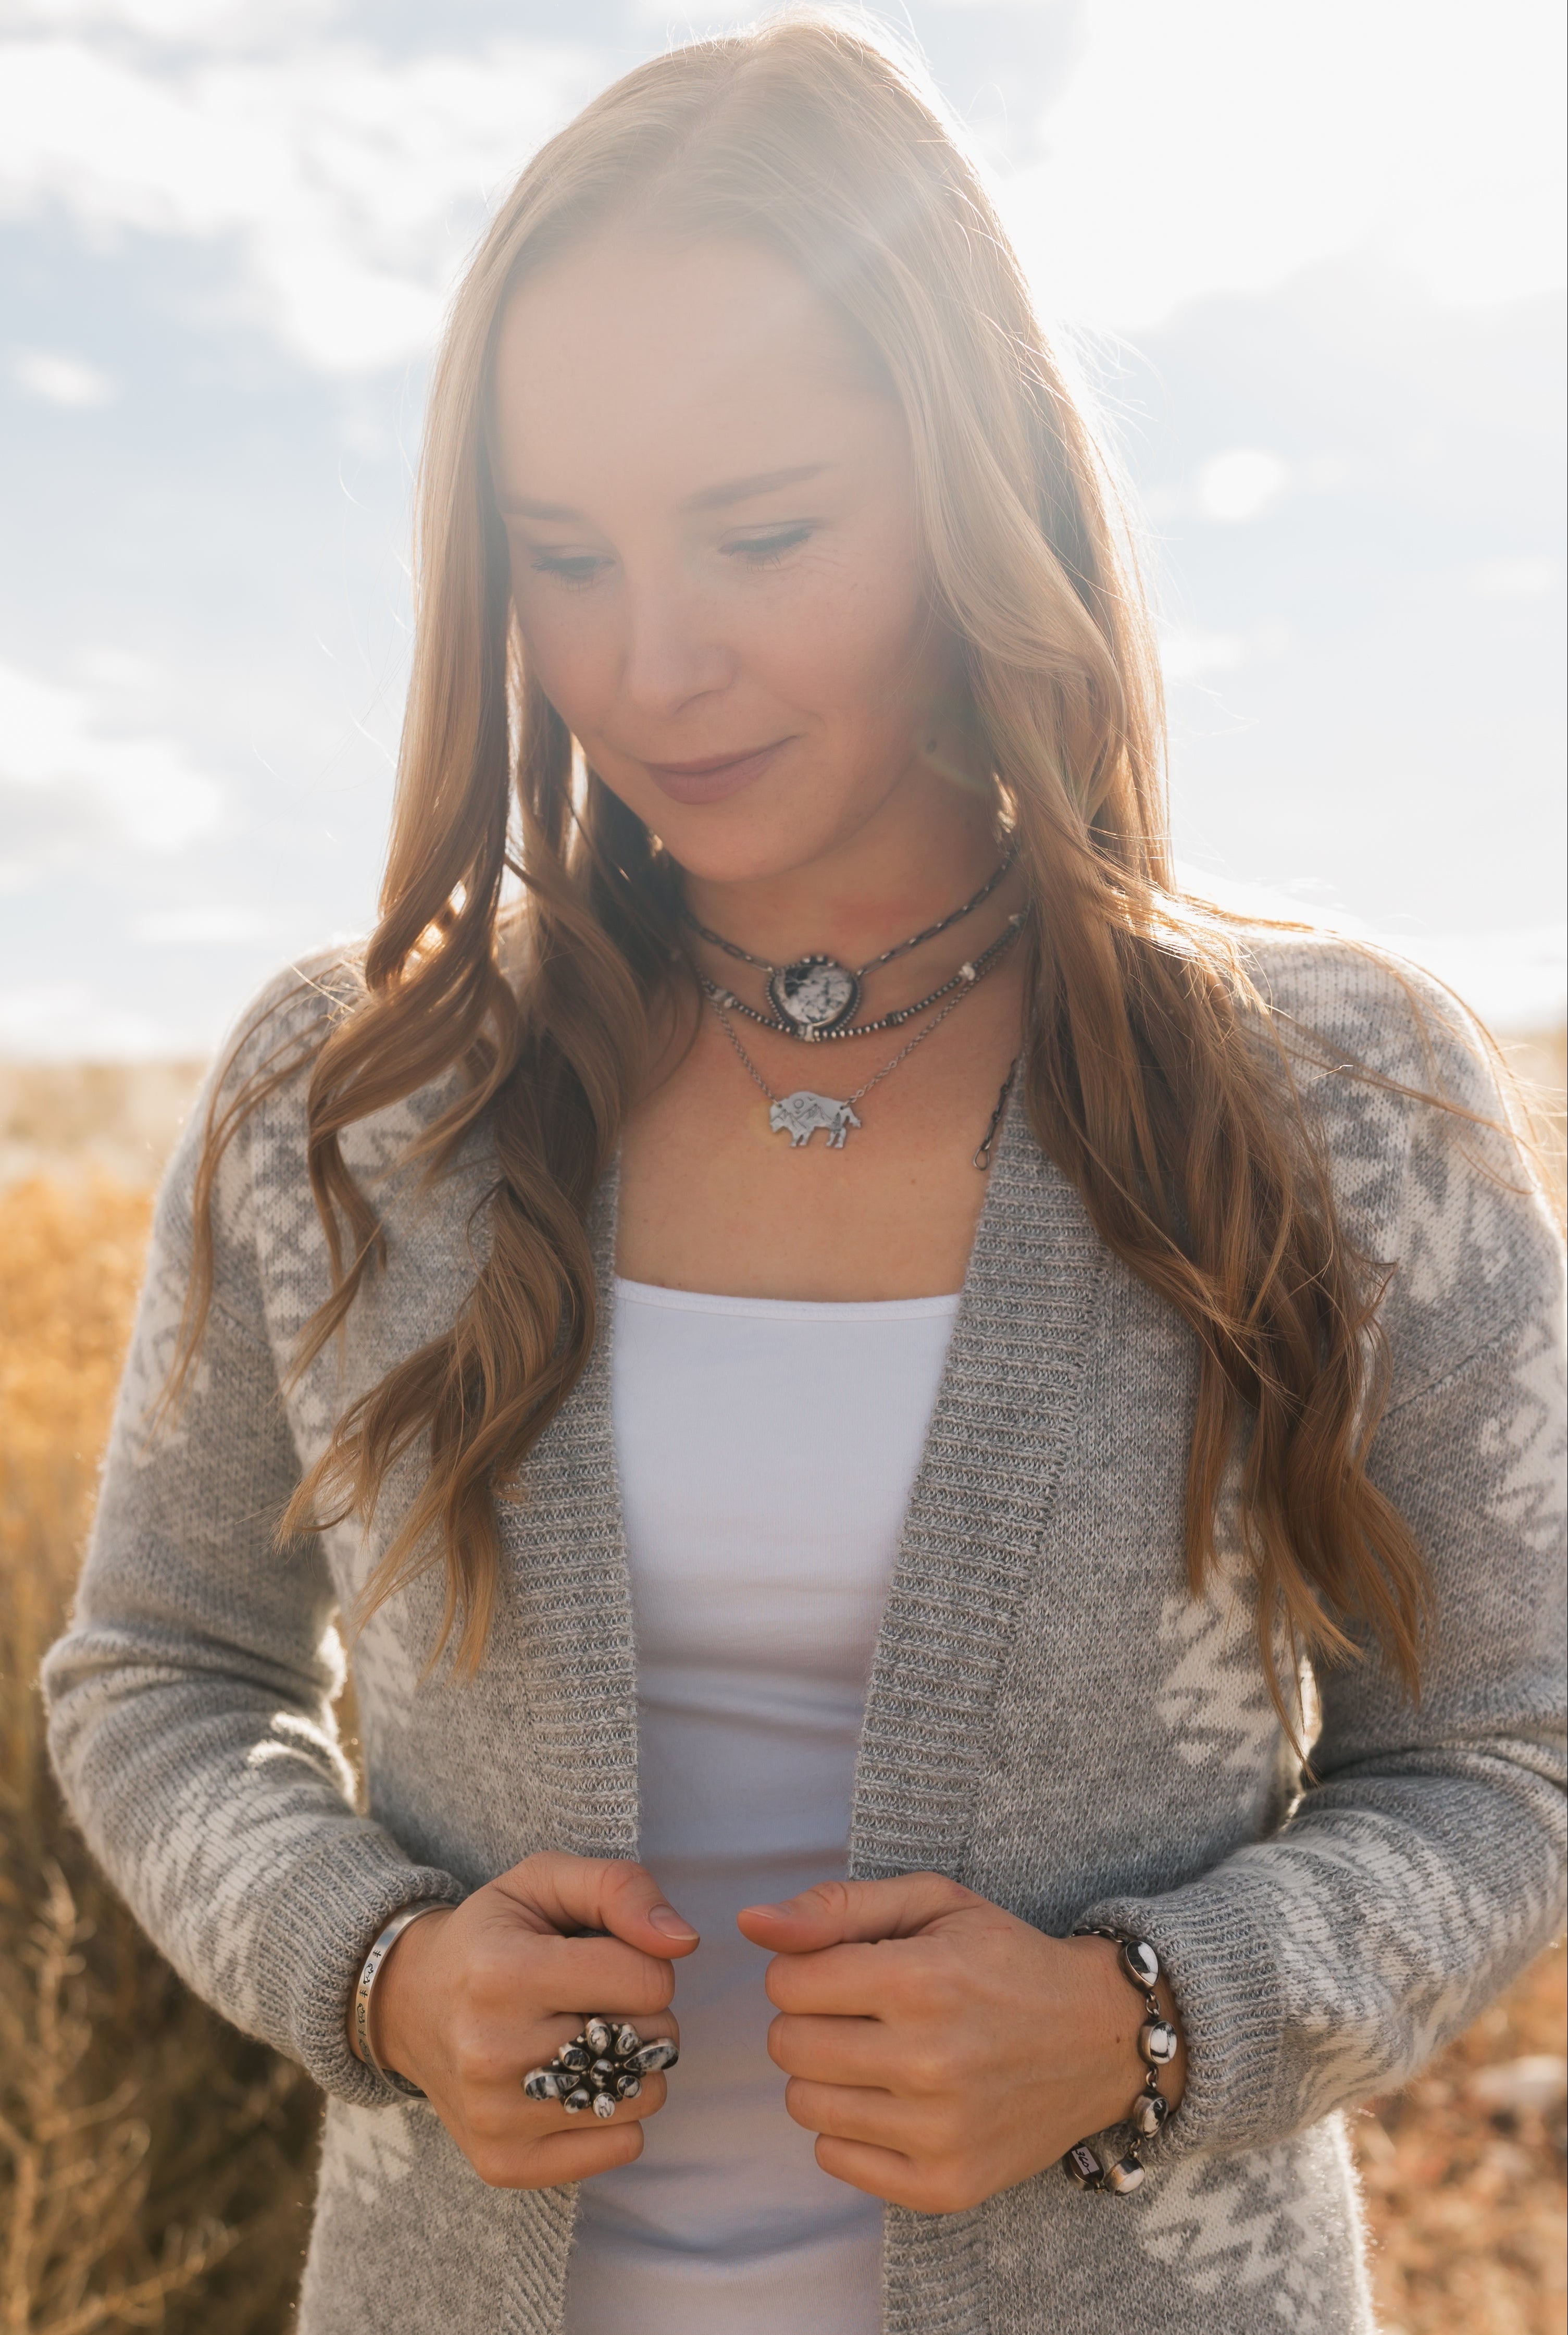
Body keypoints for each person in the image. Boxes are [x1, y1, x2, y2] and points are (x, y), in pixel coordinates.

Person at [44, 16, 1565, 2335]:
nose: (655, 661)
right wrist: (380, 1966)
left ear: (977, 488)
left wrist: (1156, 2013)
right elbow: (156, 1663)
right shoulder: (347, 1099)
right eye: (564, 556)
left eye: (764, 532)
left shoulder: (1344, 1098)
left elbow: (1508, 1742)